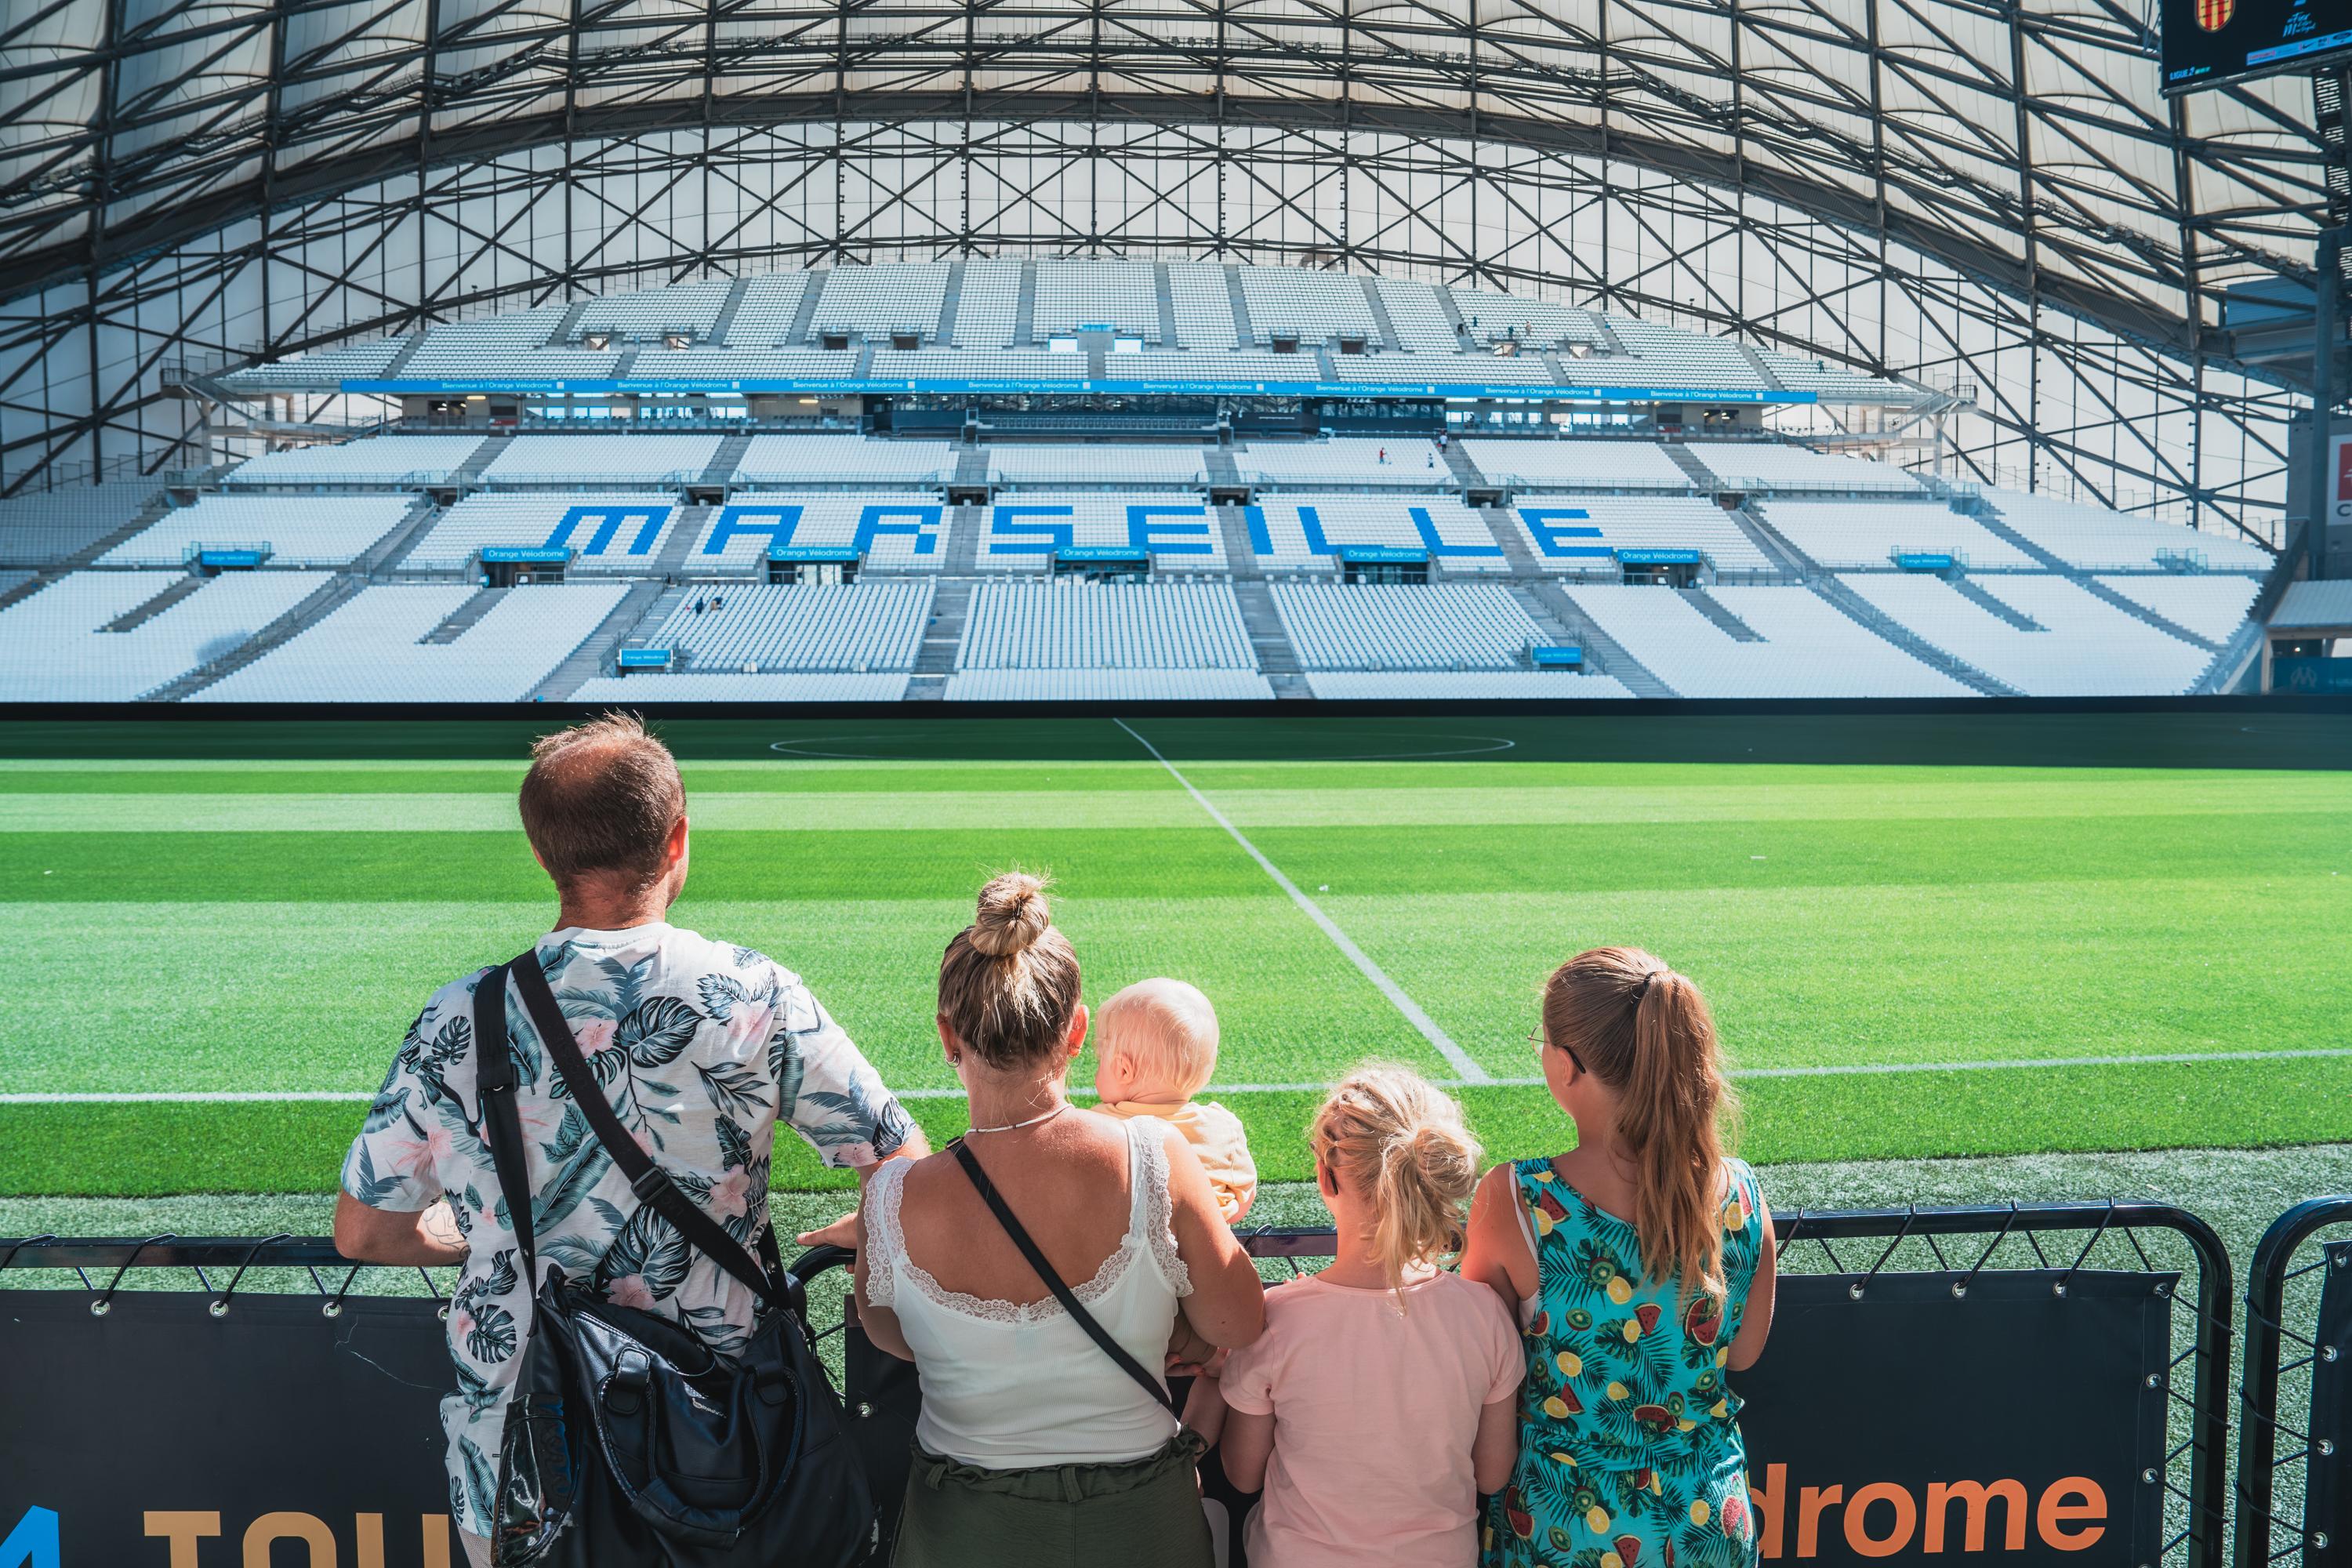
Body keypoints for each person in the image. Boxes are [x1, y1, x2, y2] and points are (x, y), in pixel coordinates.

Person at [332, 714, 925, 1568]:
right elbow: (903, 1166)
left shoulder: (461, 1014)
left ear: (543, 855)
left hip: (524, 1465)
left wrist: (472, 1235)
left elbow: (364, 1230)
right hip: (728, 1449)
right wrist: (861, 1227)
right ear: (677, 839)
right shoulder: (754, 992)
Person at [855, 873, 1265, 1568]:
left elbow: (893, 1336)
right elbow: (1239, 1321)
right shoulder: (1156, 1157)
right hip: (1140, 1526)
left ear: (948, 1037)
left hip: (965, 1531)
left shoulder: (891, 1198)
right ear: (1076, 1032)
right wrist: (1178, 1326)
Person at [1461, 947, 1775, 1568]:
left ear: (1566, 1065)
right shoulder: (1741, 1191)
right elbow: (1743, 1353)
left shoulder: (1516, 1199)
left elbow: (1471, 1360)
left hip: (1566, 1529)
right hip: (1708, 1523)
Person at [1192, 1067, 1521, 1567]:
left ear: (1327, 1177)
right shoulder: (1484, 1315)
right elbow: (1493, 1475)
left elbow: (1243, 1473)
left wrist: (1220, 1373)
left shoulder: (1276, 1321)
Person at [1092, 977, 1257, 1224]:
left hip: (1119, 1245)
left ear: (1123, 1070)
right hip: (1201, 1247)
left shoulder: (1097, 1123)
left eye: (1099, 1059)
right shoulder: (1222, 1127)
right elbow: (1243, 1197)